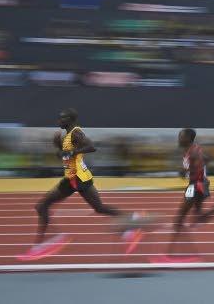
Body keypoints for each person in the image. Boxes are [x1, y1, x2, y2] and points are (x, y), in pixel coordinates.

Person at [20, 108, 146, 262]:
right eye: (58, 118)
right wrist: (60, 149)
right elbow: (67, 156)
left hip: (79, 178)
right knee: (43, 206)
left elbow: (91, 147)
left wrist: (70, 152)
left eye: (62, 118)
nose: (59, 121)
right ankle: (47, 242)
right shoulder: (68, 136)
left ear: (70, 120)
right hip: (71, 178)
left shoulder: (75, 133)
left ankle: (131, 221)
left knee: (97, 208)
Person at [152, 128, 214, 264]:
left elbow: (202, 163)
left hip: (196, 186)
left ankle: (170, 256)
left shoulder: (193, 151)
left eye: (181, 136)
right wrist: (189, 170)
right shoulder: (191, 149)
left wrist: (187, 170)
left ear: (188, 139)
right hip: (198, 185)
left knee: (178, 220)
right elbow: (207, 158)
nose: (179, 139)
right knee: (198, 219)